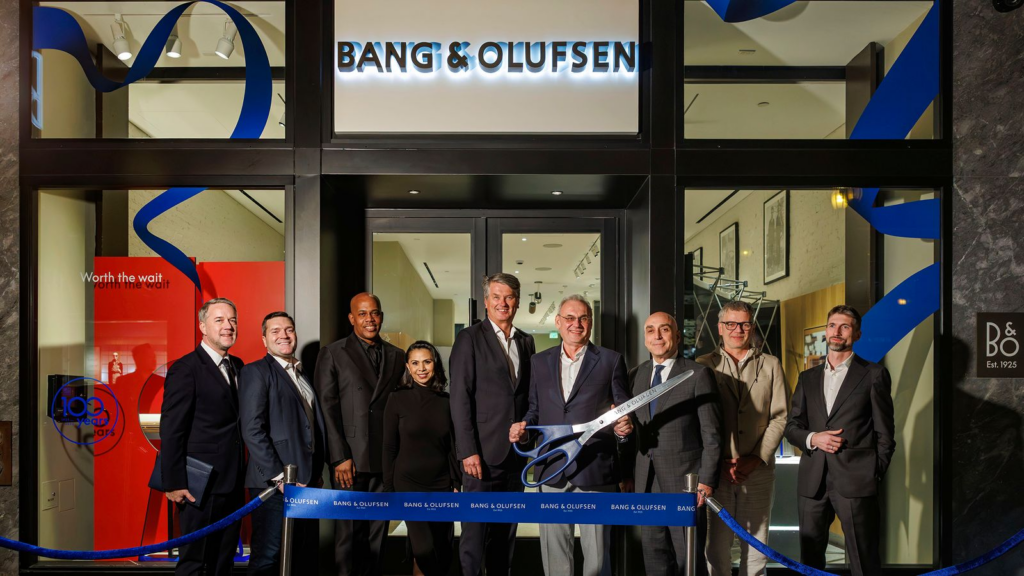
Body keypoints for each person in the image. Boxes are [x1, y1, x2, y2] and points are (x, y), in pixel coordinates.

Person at [509, 294, 632, 576]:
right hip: (551, 469)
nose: (576, 324)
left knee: (598, 560)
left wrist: (623, 427)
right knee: (555, 560)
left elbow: (623, 411)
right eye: (570, 318)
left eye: (583, 318)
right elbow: (535, 410)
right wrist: (523, 430)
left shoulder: (611, 360)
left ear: (591, 322)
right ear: (558, 322)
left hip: (595, 471)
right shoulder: (539, 362)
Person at [784, 305, 896, 576]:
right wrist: (814, 438)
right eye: (832, 325)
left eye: (845, 326)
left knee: (863, 560)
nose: (837, 331)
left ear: (856, 334)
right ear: (826, 331)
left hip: (857, 481)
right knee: (810, 562)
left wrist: (873, 473)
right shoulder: (807, 377)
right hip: (812, 482)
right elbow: (792, 427)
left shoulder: (873, 374)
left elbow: (885, 434)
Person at [449, 273, 536, 576]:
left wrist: (527, 432)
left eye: (509, 297)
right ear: (486, 302)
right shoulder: (469, 338)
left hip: (516, 455)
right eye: (496, 297)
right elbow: (459, 398)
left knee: (505, 535)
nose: (503, 303)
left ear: (517, 302)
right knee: (474, 537)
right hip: (481, 456)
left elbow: (529, 395)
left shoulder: (526, 341)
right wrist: (467, 450)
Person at [314, 293, 405, 576]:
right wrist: (339, 456)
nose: (370, 319)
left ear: (381, 317)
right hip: (349, 459)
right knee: (349, 534)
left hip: (385, 458)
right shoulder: (333, 353)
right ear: (352, 318)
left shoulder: (397, 355)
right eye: (363, 314)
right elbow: (326, 409)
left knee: (378, 534)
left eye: (374, 313)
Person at [154, 298, 245, 576]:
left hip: (233, 481)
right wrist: (174, 483)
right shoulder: (186, 368)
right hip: (198, 485)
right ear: (202, 327)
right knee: (195, 561)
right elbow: (172, 430)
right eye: (219, 320)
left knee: (223, 561)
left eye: (232, 320)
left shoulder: (238, 365)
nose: (228, 326)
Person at [698, 302, 788, 576]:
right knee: (716, 550)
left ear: (752, 327)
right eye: (731, 324)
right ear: (720, 328)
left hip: (758, 472)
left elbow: (780, 416)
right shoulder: (703, 365)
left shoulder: (771, 364)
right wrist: (716, 463)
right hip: (718, 474)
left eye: (744, 324)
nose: (738, 329)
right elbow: (697, 422)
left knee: (757, 549)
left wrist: (756, 458)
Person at [628, 312, 721, 576]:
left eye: (664, 329)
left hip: (686, 483)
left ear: (677, 336)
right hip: (646, 482)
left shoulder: (698, 374)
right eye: (650, 330)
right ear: (645, 338)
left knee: (688, 558)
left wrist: (707, 480)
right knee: (654, 555)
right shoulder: (636, 375)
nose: (657, 336)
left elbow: (712, 433)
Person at [239, 312, 327, 576]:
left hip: (305, 482)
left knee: (300, 555)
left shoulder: (302, 374)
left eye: (288, 329)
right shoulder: (255, 372)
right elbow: (252, 429)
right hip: (273, 485)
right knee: (269, 556)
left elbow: (309, 427)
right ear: (264, 339)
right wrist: (279, 477)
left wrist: (315, 471)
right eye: (275, 331)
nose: (284, 335)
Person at [383, 341, 461, 576]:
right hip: (409, 485)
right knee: (424, 549)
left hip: (441, 485)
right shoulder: (397, 399)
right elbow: (389, 447)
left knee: (442, 549)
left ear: (435, 364)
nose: (422, 368)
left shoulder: (446, 401)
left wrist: (456, 482)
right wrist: (389, 489)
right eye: (415, 363)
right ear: (408, 367)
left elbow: (451, 447)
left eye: (427, 362)